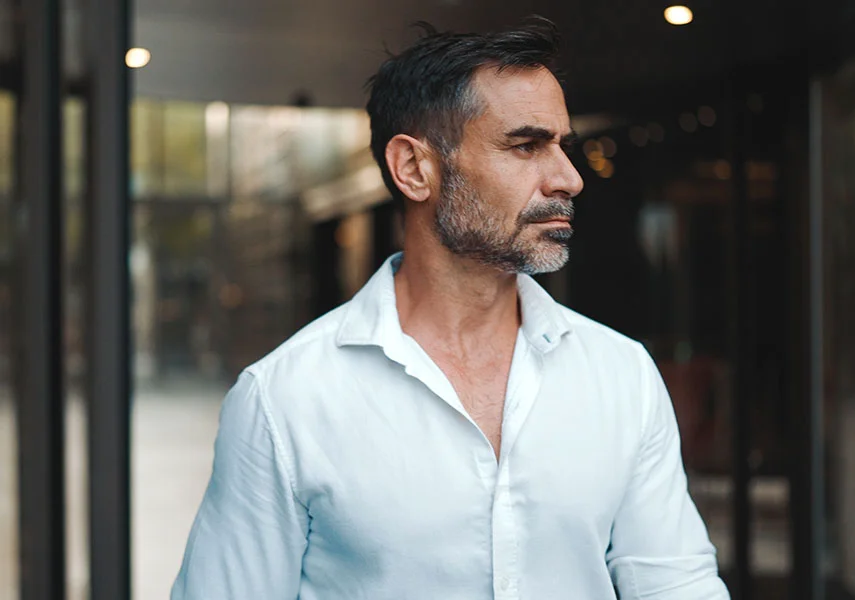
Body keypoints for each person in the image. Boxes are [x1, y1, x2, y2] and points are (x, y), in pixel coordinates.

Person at [171, 17, 729, 600]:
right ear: (414, 169)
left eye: (561, 146)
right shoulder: (283, 399)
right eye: (525, 145)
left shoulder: (622, 374)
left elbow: (676, 584)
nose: (569, 178)